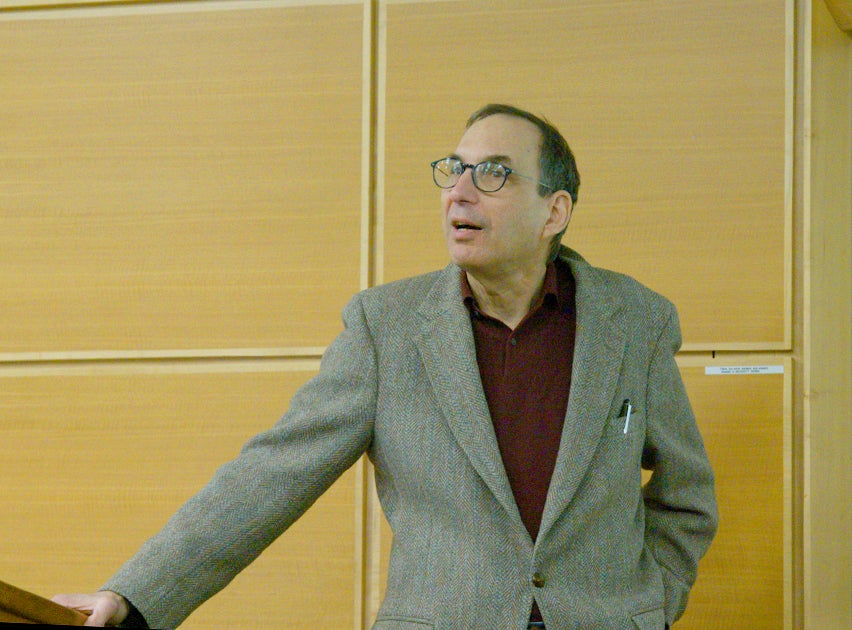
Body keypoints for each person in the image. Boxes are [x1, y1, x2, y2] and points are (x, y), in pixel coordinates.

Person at [54, 104, 718, 629]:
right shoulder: (386, 328)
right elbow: (266, 478)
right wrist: (137, 595)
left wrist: (649, 601)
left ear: (555, 210)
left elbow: (686, 495)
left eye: (492, 173)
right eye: (453, 169)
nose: (459, 193)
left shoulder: (635, 322)